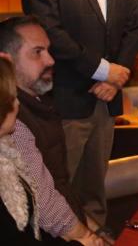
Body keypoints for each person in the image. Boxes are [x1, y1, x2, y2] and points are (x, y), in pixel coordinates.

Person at [21, 0, 138, 225]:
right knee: (57, 194)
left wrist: (116, 76)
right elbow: (50, 33)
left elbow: (134, 27)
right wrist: (104, 71)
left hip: (105, 103)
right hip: (65, 102)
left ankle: (95, 240)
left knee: (95, 196)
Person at [0, 57, 102, 245]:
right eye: (12, 97)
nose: (18, 104)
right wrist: (81, 241)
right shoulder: (14, 139)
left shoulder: (6, 149)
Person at [0, 16, 86, 223]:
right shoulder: (12, 120)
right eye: (37, 52)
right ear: (7, 59)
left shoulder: (41, 103)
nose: (50, 60)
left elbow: (61, 188)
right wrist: (88, 236)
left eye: (48, 50)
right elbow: (45, 205)